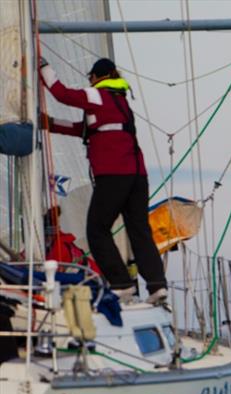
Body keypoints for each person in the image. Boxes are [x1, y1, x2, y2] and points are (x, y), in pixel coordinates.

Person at [38, 57, 166, 304]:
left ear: (97, 77)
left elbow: (61, 94)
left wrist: (44, 67)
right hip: (138, 177)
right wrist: (51, 123)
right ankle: (158, 286)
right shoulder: (120, 103)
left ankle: (121, 283)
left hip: (114, 175)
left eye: (90, 78)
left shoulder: (97, 95)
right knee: (139, 231)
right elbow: (85, 129)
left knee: (97, 230)